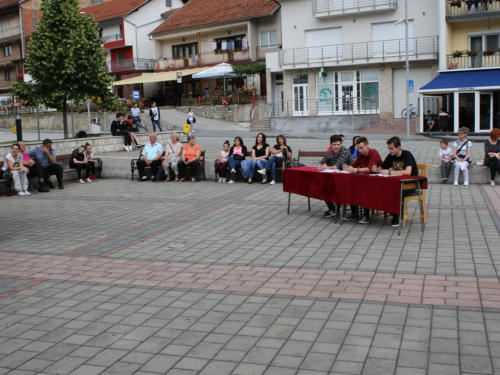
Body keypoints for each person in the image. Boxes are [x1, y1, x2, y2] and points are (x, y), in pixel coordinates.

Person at [373, 137, 418, 227]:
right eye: (389, 148)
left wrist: (390, 172)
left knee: (394, 193)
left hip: (410, 184)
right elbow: (382, 168)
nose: (390, 151)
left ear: (398, 147)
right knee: (379, 191)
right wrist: (376, 169)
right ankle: (395, 213)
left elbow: (408, 172)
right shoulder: (391, 156)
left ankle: (397, 216)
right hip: (396, 183)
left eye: (392, 148)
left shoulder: (407, 154)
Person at [343, 137, 382, 224]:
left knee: (364, 190)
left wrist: (355, 170)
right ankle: (354, 212)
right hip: (366, 180)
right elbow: (353, 165)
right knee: (351, 187)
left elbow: (369, 169)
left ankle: (366, 215)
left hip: (378, 181)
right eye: (358, 148)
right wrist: (347, 168)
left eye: (361, 148)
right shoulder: (361, 155)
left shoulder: (373, 153)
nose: (359, 150)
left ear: (367, 145)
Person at [318, 134, 354, 218]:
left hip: (349, 178)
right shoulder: (331, 152)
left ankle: (338, 208)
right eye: (334, 145)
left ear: (341, 144)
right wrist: (321, 164)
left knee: (336, 188)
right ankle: (332, 209)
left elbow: (337, 166)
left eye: (338, 144)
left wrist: (326, 167)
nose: (336, 147)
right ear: (331, 145)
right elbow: (322, 161)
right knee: (324, 188)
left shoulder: (344, 151)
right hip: (336, 177)